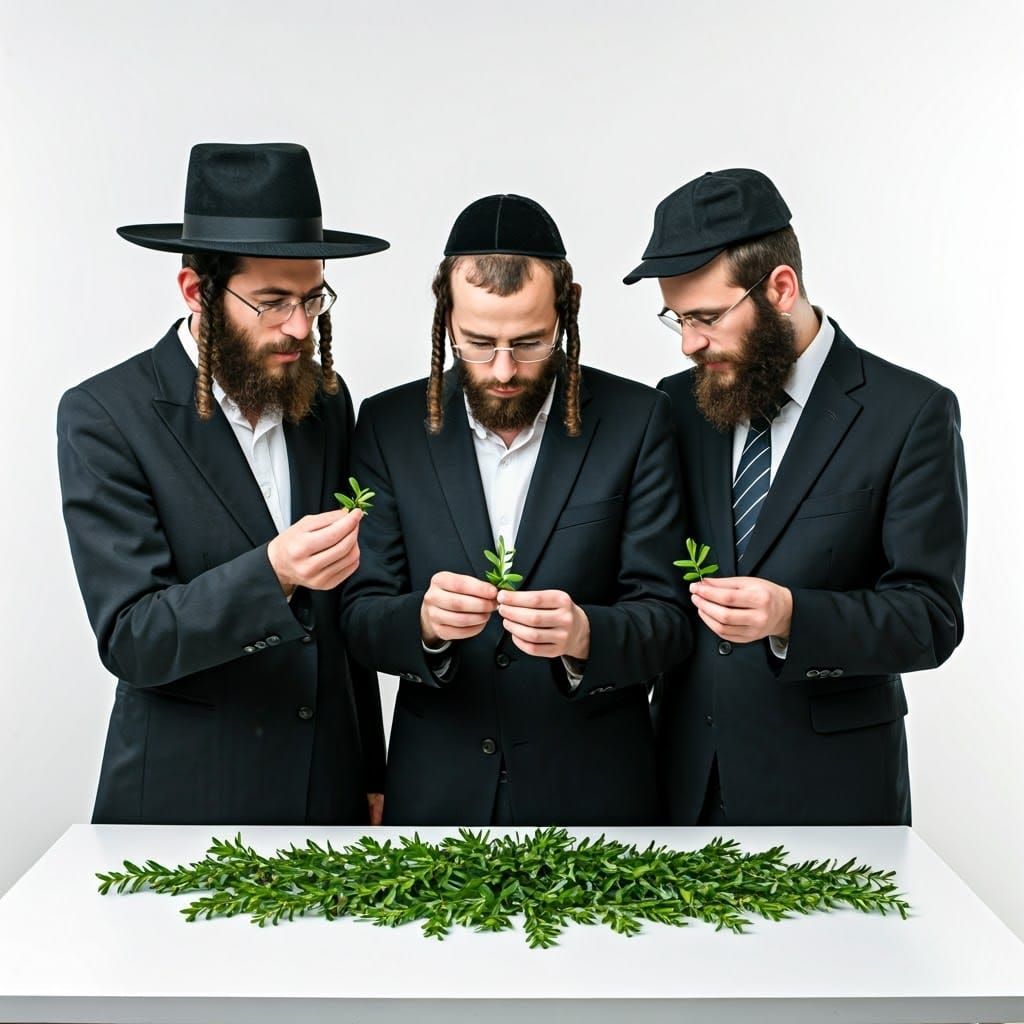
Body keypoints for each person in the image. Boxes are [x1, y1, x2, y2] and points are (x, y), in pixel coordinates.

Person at [57, 142, 390, 825]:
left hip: (326, 798)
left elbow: (340, 615)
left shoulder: (327, 401)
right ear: (195, 292)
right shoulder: (104, 415)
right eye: (272, 302)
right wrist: (272, 573)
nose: (300, 326)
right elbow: (133, 637)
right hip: (185, 802)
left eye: (312, 298)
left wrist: (371, 774)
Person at [624, 167, 967, 825]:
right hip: (680, 784)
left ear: (781, 287)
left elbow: (930, 618)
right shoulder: (673, 404)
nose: (691, 342)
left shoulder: (911, 413)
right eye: (677, 319)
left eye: (706, 317)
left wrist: (790, 615)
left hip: (833, 792)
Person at [342, 194, 690, 825]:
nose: (503, 370)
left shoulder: (640, 422)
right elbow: (359, 616)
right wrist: (421, 623)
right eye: (478, 342)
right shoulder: (386, 425)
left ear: (567, 311)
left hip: (596, 800)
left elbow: (668, 618)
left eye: (529, 342)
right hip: (437, 798)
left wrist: (587, 635)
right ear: (446, 318)